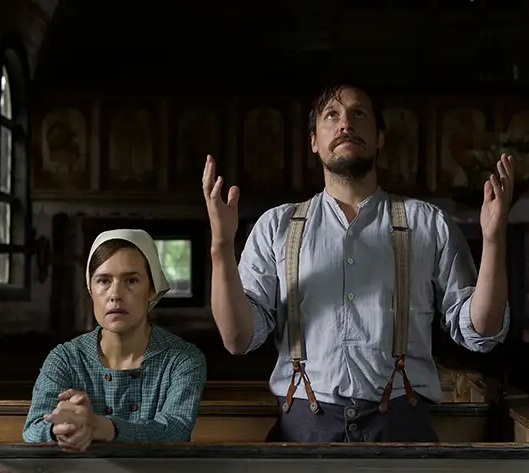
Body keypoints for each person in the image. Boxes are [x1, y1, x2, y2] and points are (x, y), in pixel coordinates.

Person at [203, 84, 512, 443]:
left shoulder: (429, 223)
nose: (345, 124)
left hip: (401, 424)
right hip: (303, 428)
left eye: (358, 113)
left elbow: (483, 331)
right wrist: (221, 246)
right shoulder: (277, 226)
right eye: (331, 115)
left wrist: (493, 240)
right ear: (314, 141)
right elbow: (237, 338)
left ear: (380, 138)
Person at [22, 229, 207, 451]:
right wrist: (60, 429)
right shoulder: (65, 357)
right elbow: (32, 431)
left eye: (131, 280)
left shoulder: (183, 359)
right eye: (104, 281)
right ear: (91, 290)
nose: (115, 294)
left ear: (152, 289)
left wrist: (102, 428)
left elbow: (175, 431)